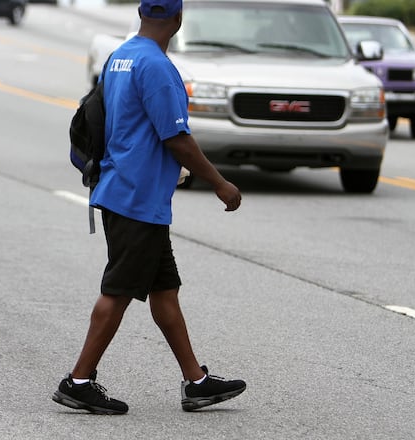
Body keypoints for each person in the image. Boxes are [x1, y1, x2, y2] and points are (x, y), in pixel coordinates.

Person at [52, 0, 245, 415]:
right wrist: (220, 183)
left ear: (141, 15)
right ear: (177, 20)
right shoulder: (157, 67)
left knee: (164, 290)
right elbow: (176, 138)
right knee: (118, 291)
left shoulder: (120, 56)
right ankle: (79, 381)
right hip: (136, 198)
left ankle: (196, 382)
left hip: (127, 190)